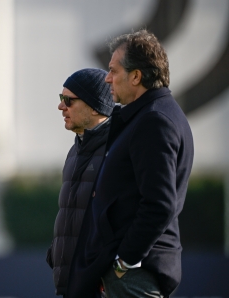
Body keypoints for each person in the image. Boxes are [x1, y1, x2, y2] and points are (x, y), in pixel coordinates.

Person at [67, 29, 194, 297]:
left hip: (135, 274)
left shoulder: (154, 121)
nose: (107, 78)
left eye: (113, 71)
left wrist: (125, 260)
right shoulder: (149, 116)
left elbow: (160, 204)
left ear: (136, 76)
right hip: (131, 273)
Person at [46, 68, 114, 297]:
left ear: (95, 107)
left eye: (69, 100)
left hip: (100, 287)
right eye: (61, 99)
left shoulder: (117, 151)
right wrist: (57, 254)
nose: (60, 107)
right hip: (71, 285)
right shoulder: (75, 150)